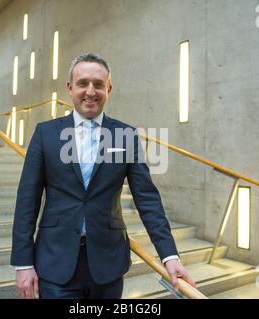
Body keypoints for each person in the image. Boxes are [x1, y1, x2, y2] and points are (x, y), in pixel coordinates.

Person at [11, 53, 195, 299]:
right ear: (70, 88)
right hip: (55, 262)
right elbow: (26, 201)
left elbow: (147, 201)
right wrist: (23, 263)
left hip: (108, 264)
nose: (90, 91)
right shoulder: (45, 133)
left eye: (98, 84)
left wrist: (169, 256)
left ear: (108, 89)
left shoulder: (126, 135)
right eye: (82, 83)